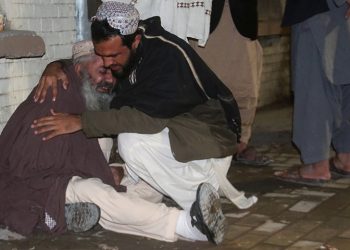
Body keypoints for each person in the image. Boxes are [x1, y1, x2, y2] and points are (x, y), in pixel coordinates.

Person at [33, 1, 258, 211]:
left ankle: (200, 203)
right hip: (171, 137)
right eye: (102, 55)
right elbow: (85, 59)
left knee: (131, 141)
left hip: (207, 140)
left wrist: (80, 121)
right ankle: (117, 196)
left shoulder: (166, 55)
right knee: (106, 138)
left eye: (112, 56)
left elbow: (147, 120)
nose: (107, 63)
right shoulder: (121, 48)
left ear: (136, 41)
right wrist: (55, 66)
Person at [1, 40, 225, 244]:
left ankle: (85, 212)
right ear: (78, 69)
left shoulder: (94, 93)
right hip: (43, 184)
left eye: (112, 73)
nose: (109, 80)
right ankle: (188, 225)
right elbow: (32, 164)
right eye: (102, 71)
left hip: (85, 170)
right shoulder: (54, 92)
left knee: (144, 181)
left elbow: (101, 139)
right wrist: (97, 174)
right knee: (95, 191)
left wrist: (113, 168)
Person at [274, 0, 350, 185]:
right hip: (337, 13)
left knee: (314, 83)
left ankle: (316, 165)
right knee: (343, 80)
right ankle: (346, 157)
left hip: (319, 8)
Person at [191, 0, 271, 166]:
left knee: (244, 81)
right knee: (201, 81)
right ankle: (203, 141)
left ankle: (240, 143)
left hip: (240, 15)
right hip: (204, 14)